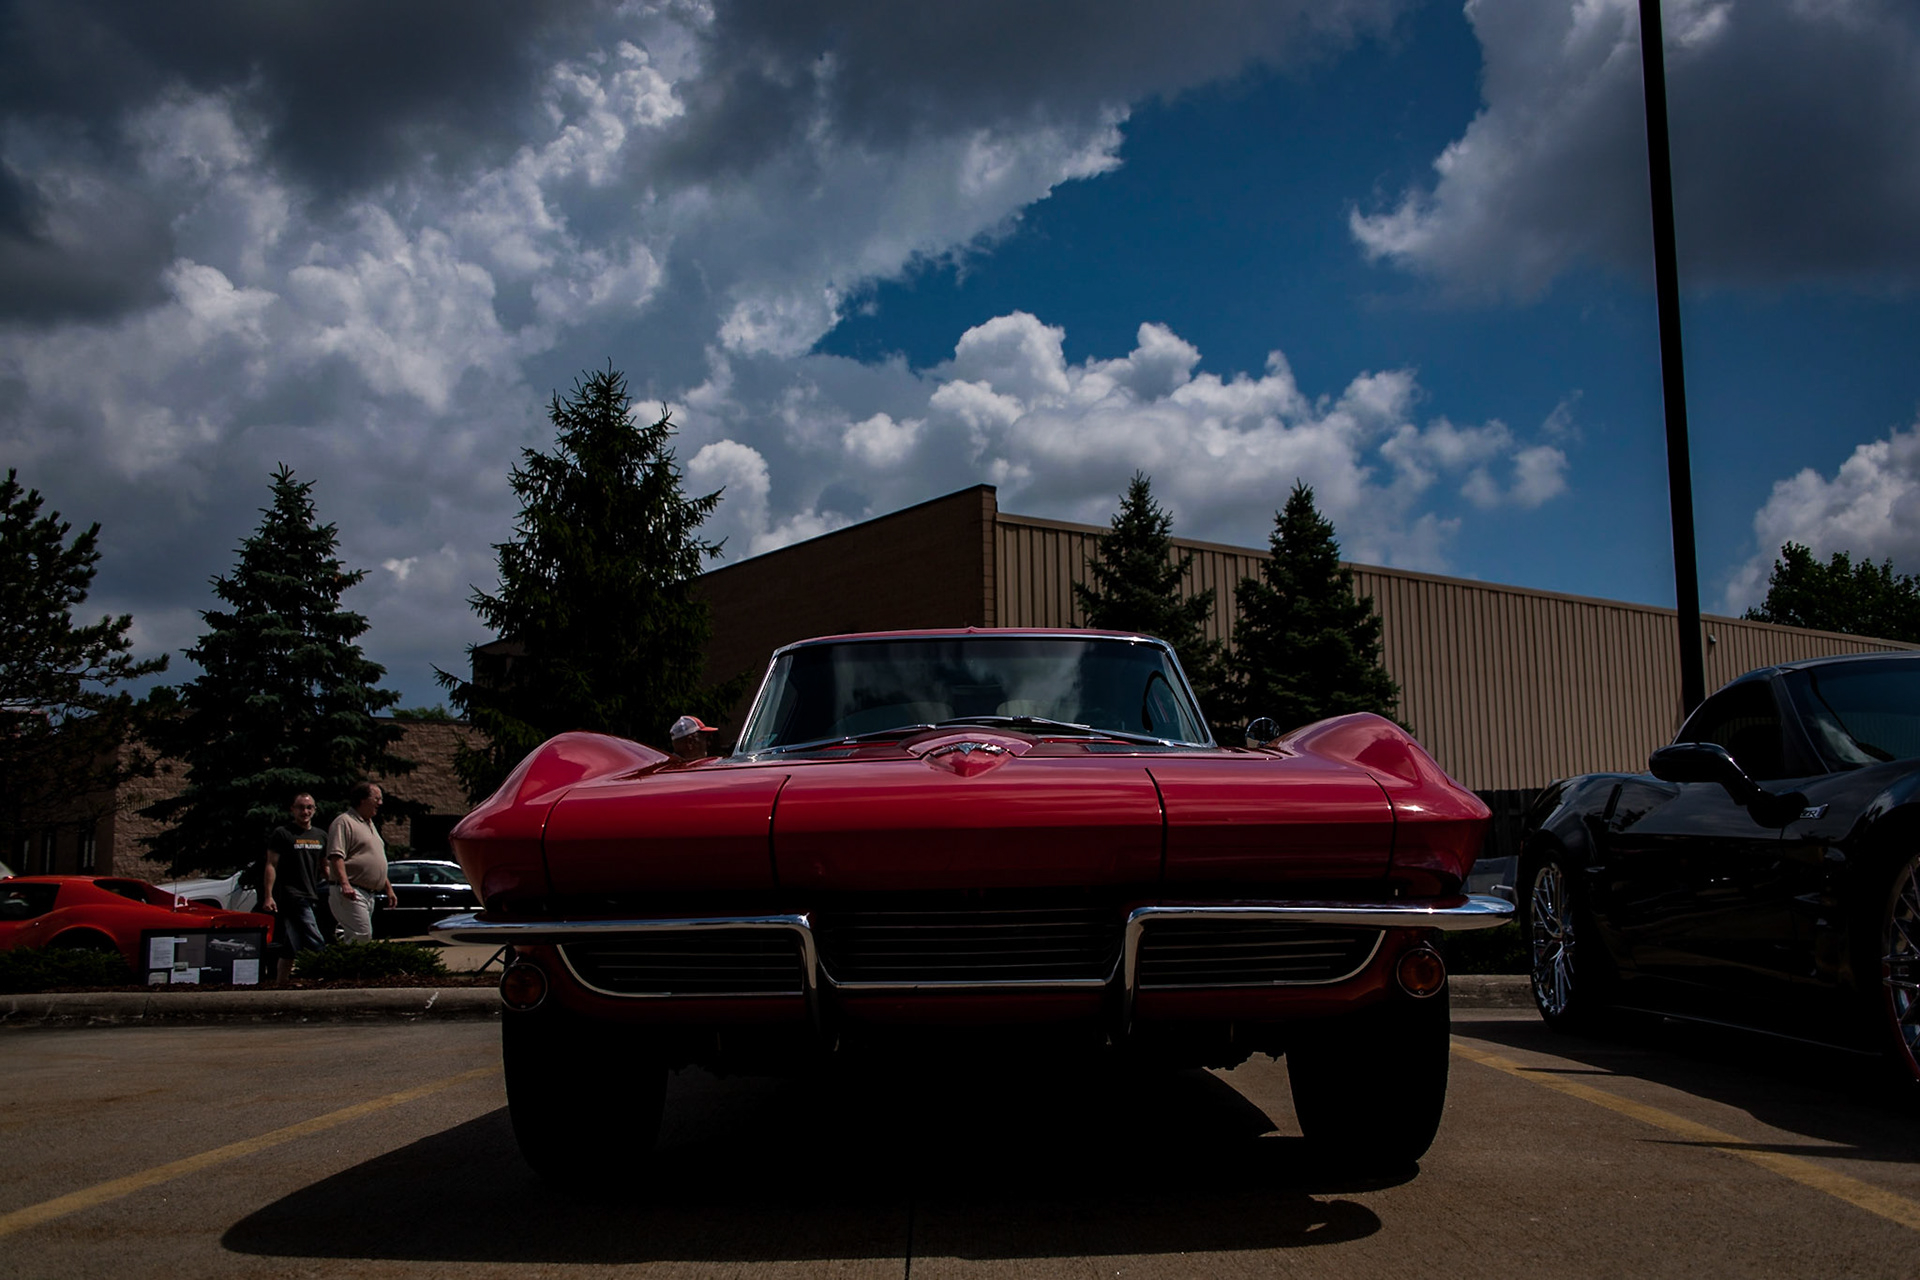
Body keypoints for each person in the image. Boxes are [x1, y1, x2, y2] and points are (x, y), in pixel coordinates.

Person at [263, 792, 328, 980]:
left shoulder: (321, 835)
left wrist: (341, 885)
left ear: (314, 810)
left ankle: (280, 984)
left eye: (309, 807)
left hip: (312, 892)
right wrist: (268, 895)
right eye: (300, 807)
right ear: (292, 809)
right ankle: (324, 976)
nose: (305, 811)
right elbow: (271, 864)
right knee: (315, 938)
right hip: (291, 894)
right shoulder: (282, 833)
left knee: (290, 945)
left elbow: (325, 867)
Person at [324, 781, 397, 943]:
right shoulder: (344, 822)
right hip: (351, 891)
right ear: (362, 800)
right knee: (362, 934)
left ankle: (350, 967)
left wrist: (388, 888)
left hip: (369, 894)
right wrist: (345, 884)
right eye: (376, 798)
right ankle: (351, 967)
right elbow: (336, 855)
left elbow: (375, 859)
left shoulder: (370, 825)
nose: (380, 803)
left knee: (358, 937)